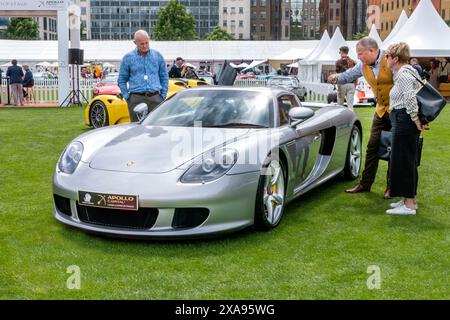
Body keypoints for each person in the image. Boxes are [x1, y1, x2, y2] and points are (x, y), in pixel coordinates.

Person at [328, 37, 394, 198]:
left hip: (397, 111)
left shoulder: (391, 59)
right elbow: (349, 75)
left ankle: (392, 187)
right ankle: (365, 184)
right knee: (372, 147)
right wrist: (336, 77)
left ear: (372, 51)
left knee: (395, 149)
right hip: (380, 110)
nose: (358, 57)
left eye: (360, 54)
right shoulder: (363, 65)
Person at [385, 43, 428, 215]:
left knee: (403, 160)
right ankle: (407, 199)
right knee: (406, 159)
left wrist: (415, 118)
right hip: (404, 118)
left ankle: (409, 204)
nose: (386, 59)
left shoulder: (403, 73)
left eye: (388, 56)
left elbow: (410, 97)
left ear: (395, 58)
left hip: (404, 119)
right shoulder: (409, 71)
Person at [118, 30, 169, 122]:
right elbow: (121, 80)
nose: (145, 46)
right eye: (141, 44)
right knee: (136, 128)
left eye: (147, 43)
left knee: (156, 128)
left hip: (156, 98)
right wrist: (127, 98)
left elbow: (164, 77)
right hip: (136, 98)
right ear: (135, 43)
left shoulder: (158, 56)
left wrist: (163, 96)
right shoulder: (128, 58)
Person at [335, 46, 356, 110]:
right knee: (350, 104)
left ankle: (341, 118)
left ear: (341, 52)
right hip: (351, 84)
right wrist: (355, 83)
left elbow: (337, 75)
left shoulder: (338, 62)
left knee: (340, 103)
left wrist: (337, 86)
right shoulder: (353, 62)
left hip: (342, 84)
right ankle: (351, 118)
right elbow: (355, 74)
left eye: (339, 52)